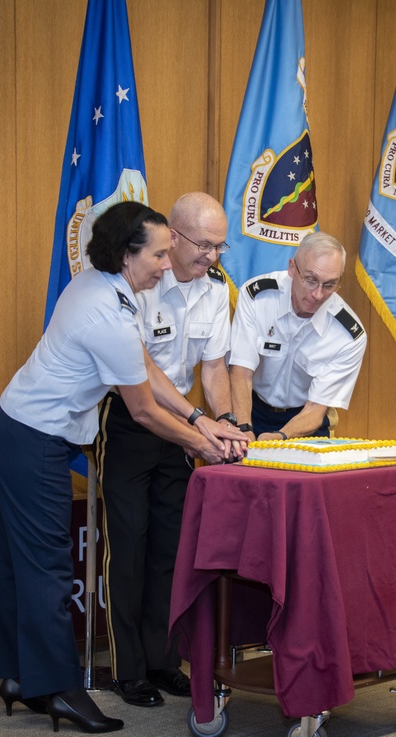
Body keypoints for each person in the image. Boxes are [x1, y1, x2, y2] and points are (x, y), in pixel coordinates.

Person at [0, 201, 246, 734]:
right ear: (126, 254)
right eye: (157, 254)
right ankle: (60, 689)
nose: (166, 264)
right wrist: (204, 444)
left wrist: (200, 419)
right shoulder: (108, 311)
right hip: (33, 439)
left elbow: (147, 372)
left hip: (16, 429)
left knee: (15, 564)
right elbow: (143, 407)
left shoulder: (106, 289)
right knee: (47, 571)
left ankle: (17, 677)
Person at [96, 192, 240, 708]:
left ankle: (161, 660)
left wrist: (223, 422)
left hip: (184, 427)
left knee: (169, 551)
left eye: (220, 246)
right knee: (129, 548)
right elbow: (142, 374)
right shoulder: (135, 284)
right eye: (205, 245)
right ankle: (127, 668)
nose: (213, 257)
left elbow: (215, 367)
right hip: (134, 423)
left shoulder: (218, 288)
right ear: (173, 237)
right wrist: (198, 422)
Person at [229, 232, 367, 440]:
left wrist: (281, 437)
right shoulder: (258, 297)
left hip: (305, 420)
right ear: (292, 268)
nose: (318, 295)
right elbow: (241, 372)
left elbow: (315, 409)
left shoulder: (348, 336)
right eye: (311, 280)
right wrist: (244, 429)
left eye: (329, 284)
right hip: (250, 407)